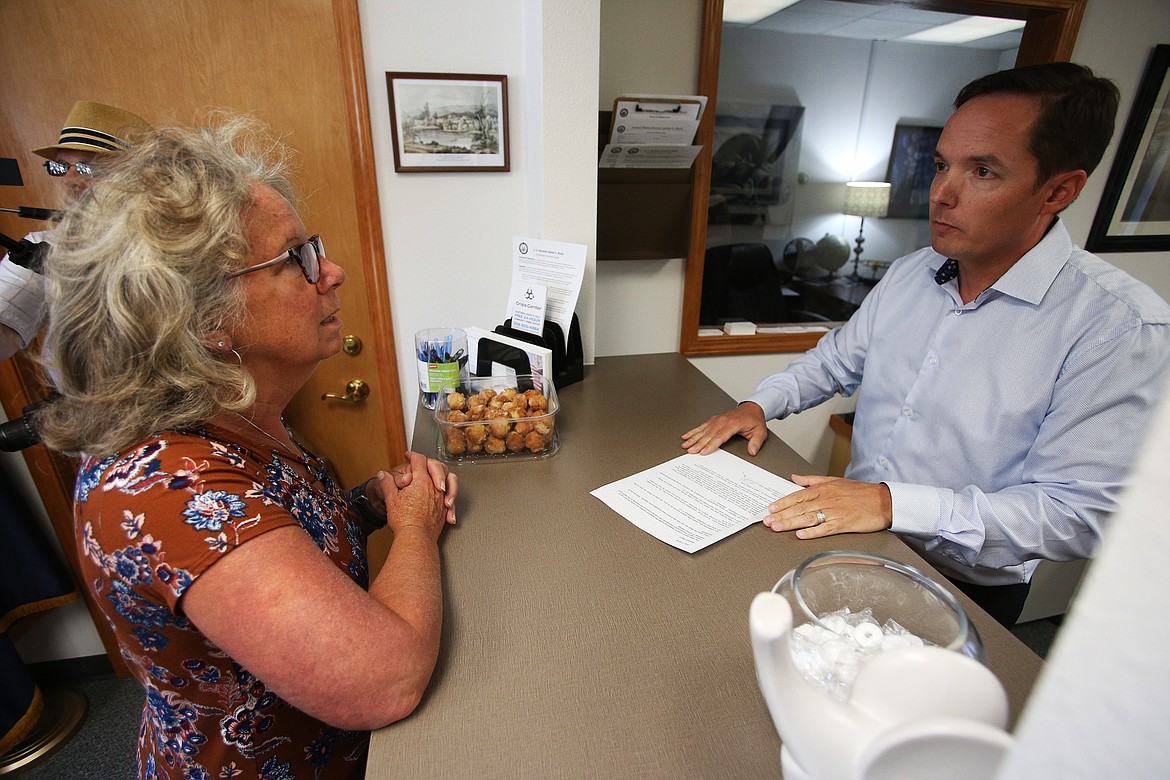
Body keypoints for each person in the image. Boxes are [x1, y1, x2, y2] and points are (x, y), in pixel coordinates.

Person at [34, 116, 458, 779]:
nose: (333, 271)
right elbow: (384, 680)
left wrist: (371, 503)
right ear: (204, 321)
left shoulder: (243, 419)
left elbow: (283, 529)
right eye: (297, 259)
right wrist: (414, 529)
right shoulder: (164, 488)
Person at [681, 62, 1170, 627]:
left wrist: (893, 503)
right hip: (852, 539)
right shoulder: (915, 271)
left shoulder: (1120, 328)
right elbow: (836, 361)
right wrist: (758, 405)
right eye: (942, 165)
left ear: (1058, 191)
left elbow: (1079, 513)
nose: (941, 194)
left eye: (982, 172)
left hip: (964, 586)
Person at [0, 100, 151, 360]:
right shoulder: (42, 248)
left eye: (88, 167)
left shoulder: (187, 245)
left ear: (142, 176)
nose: (70, 180)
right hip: (87, 400)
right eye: (60, 167)